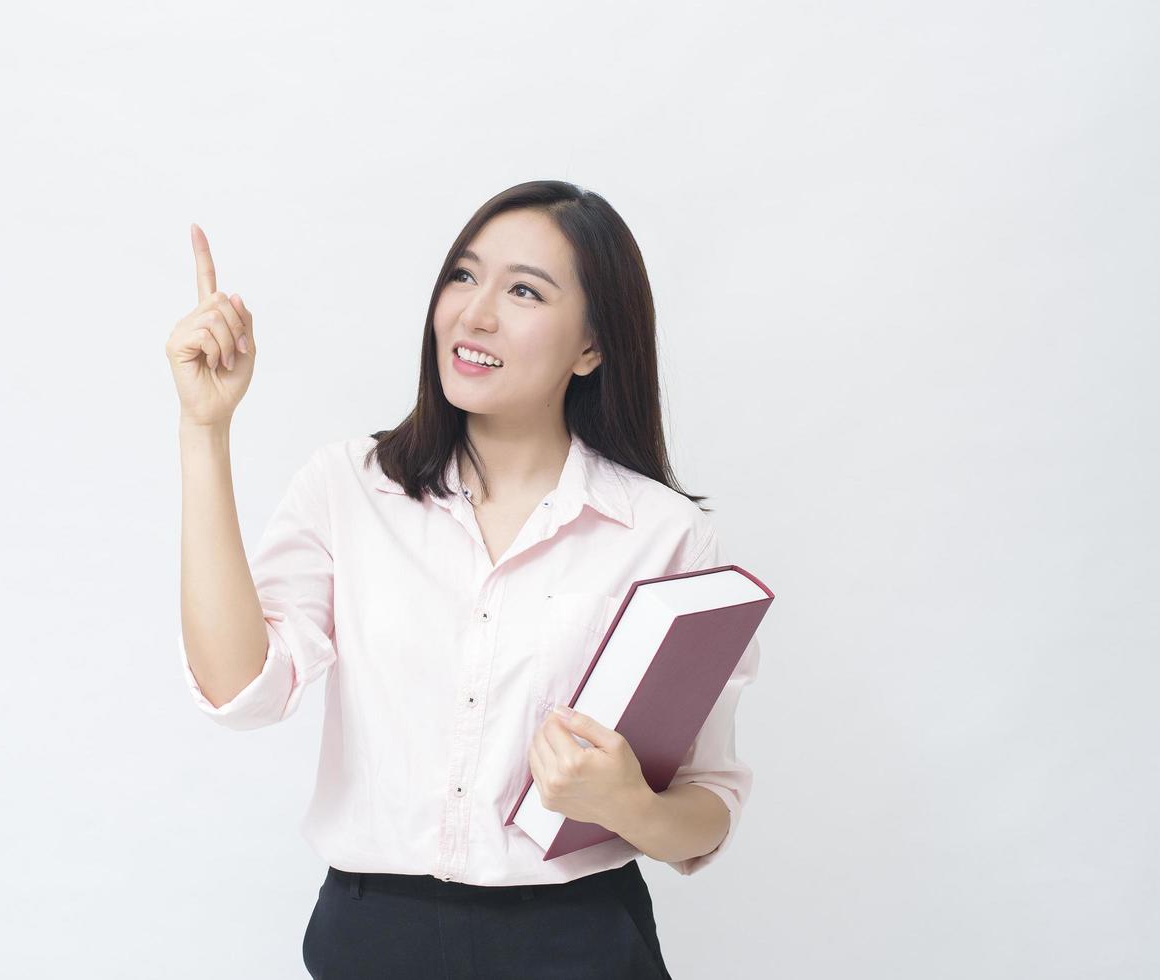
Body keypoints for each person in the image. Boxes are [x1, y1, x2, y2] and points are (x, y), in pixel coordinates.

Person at [167, 180, 761, 979]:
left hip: (577, 944)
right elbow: (243, 690)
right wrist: (205, 431)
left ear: (592, 347)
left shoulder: (664, 537)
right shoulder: (349, 488)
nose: (474, 313)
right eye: (463, 276)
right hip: (373, 940)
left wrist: (628, 805)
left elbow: (707, 808)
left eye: (523, 290)